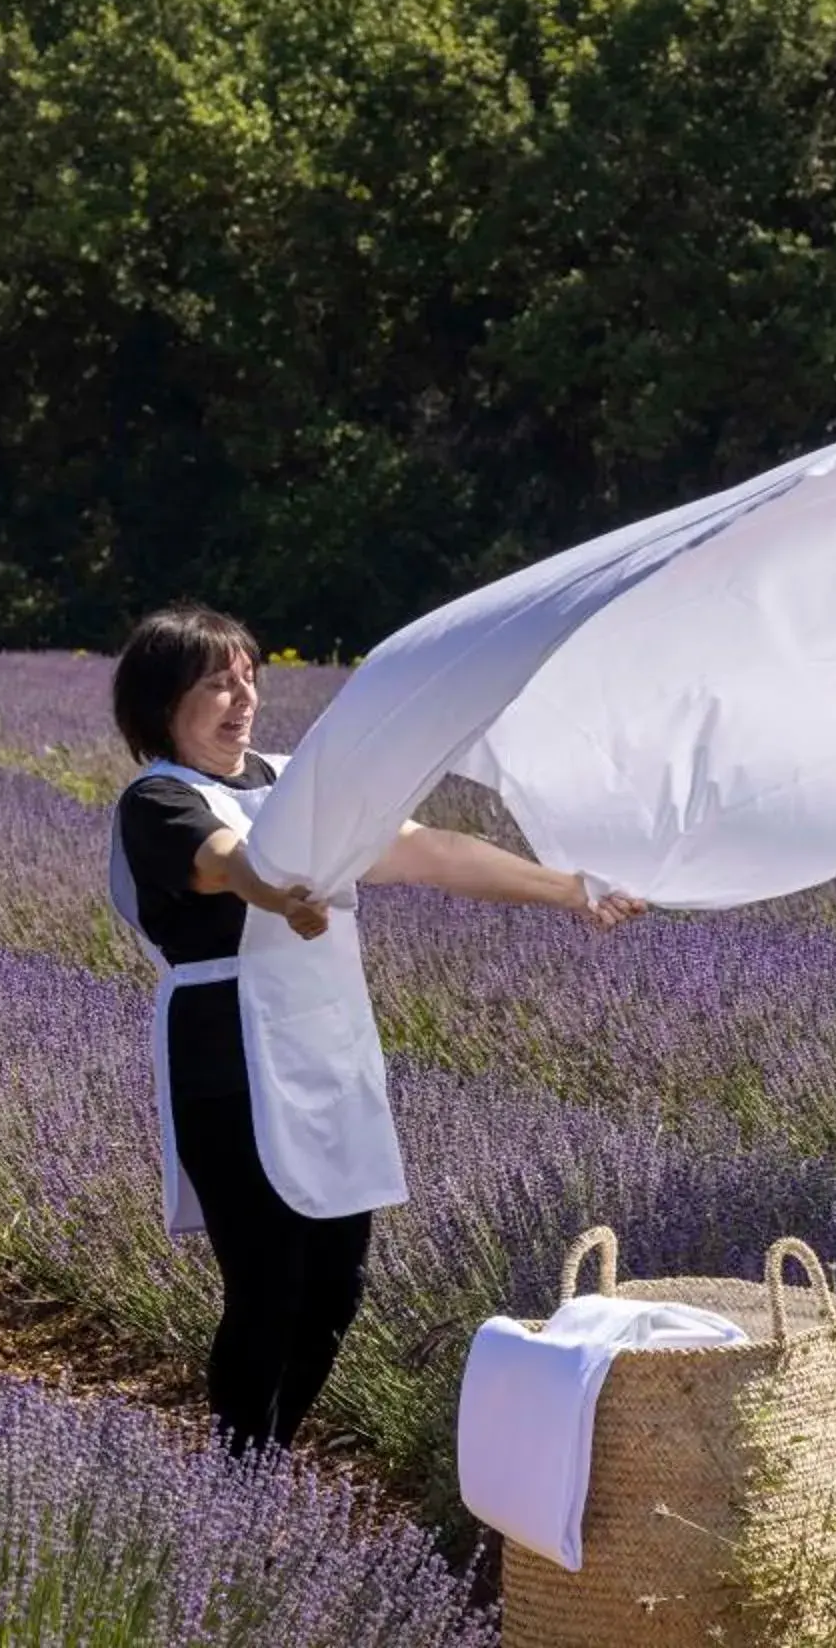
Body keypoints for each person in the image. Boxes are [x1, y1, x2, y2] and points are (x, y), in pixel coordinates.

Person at [107, 603, 646, 1458]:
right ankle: (235, 1479)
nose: (241, 698)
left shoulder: (295, 781)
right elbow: (219, 861)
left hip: (327, 1052)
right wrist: (275, 891)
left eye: (248, 678)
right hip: (228, 1063)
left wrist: (572, 889)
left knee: (335, 1287)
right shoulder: (159, 798)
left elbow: (425, 851)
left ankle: (261, 1458)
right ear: (163, 703)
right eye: (217, 683)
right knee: (266, 1285)